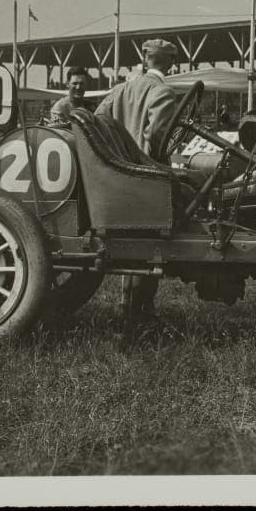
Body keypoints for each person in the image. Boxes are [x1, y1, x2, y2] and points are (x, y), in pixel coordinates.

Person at [95, 39, 180, 321]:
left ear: (145, 59)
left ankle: (125, 303)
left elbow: (97, 123)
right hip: (146, 178)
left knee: (129, 244)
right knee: (150, 246)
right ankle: (141, 308)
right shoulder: (162, 91)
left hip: (116, 178)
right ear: (169, 63)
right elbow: (158, 136)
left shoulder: (119, 90)